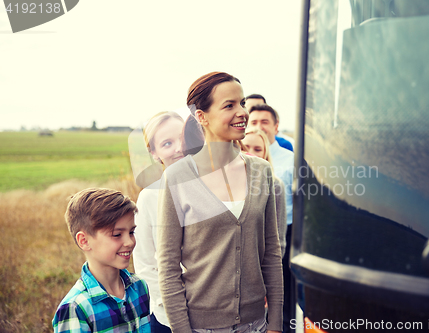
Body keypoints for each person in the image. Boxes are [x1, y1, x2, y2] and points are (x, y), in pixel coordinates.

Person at [157, 72, 283, 333]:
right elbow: (168, 267)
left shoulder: (262, 172)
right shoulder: (177, 177)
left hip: (257, 324)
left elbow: (271, 254)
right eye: (229, 105)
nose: (242, 112)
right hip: (202, 328)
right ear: (201, 116)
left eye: (242, 103)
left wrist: (275, 324)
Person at [52, 188, 151, 332]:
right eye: (117, 234)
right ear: (84, 241)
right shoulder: (75, 308)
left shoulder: (140, 287)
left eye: (131, 232)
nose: (129, 242)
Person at [133, 111, 184, 333]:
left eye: (183, 138)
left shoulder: (215, 188)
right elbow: (145, 264)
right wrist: (174, 308)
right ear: (154, 153)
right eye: (167, 143)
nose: (179, 148)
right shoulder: (150, 197)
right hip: (169, 318)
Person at [248, 104, 294, 333]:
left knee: (280, 295)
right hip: (250, 241)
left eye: (264, 122)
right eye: (253, 122)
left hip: (283, 232)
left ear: (276, 126)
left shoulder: (291, 161)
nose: (259, 126)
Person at [242, 128, 287, 258]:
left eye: (257, 149)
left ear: (265, 154)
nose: (250, 153)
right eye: (245, 147)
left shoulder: (275, 185)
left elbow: (278, 240)